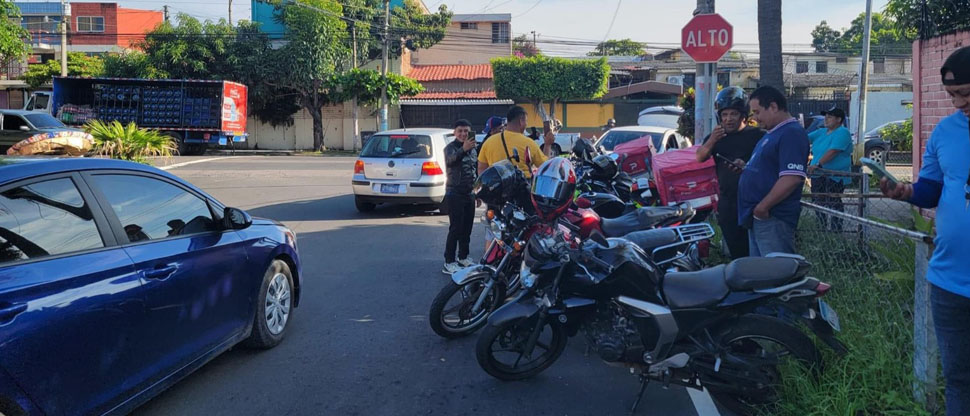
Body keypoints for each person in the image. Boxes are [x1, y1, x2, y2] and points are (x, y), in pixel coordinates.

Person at [880, 46, 970, 416]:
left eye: (966, 93)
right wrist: (906, 192)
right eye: (953, 95)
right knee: (960, 381)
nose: (960, 103)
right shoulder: (946, 130)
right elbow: (931, 187)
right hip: (950, 281)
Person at [736, 85, 809, 256]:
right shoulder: (772, 133)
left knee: (774, 274)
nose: (755, 118)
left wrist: (763, 208)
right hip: (759, 216)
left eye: (757, 112)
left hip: (772, 217)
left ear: (774, 107)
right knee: (762, 274)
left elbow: (791, 178)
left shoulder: (791, 133)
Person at [695, 86, 764, 259]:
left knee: (757, 252)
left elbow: (767, 163)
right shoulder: (716, 137)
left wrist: (746, 165)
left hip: (755, 201)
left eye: (733, 114)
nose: (729, 119)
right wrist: (712, 140)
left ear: (743, 115)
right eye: (725, 115)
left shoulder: (758, 135)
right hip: (728, 203)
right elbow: (700, 157)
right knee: (737, 252)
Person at [807, 107, 852, 231]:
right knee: (818, 201)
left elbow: (834, 150)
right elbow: (803, 138)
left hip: (834, 175)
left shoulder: (843, 132)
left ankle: (835, 230)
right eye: (826, 116)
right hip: (817, 174)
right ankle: (821, 229)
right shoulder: (821, 132)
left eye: (830, 117)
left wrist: (818, 164)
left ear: (839, 119)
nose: (826, 119)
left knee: (833, 200)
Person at [442, 119, 478, 275]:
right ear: (454, 133)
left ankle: (463, 257)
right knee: (455, 229)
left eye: (466, 131)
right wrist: (463, 149)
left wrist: (477, 192)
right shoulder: (450, 148)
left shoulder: (474, 149)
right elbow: (450, 161)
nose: (463, 134)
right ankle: (449, 261)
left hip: (469, 193)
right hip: (454, 193)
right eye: (460, 131)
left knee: (467, 228)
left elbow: (474, 171)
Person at [478, 106, 551, 178]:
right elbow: (545, 167)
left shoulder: (488, 142)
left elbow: (481, 169)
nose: (526, 124)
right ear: (521, 121)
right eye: (526, 121)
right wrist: (547, 145)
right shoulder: (529, 143)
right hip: (522, 188)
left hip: (498, 188)